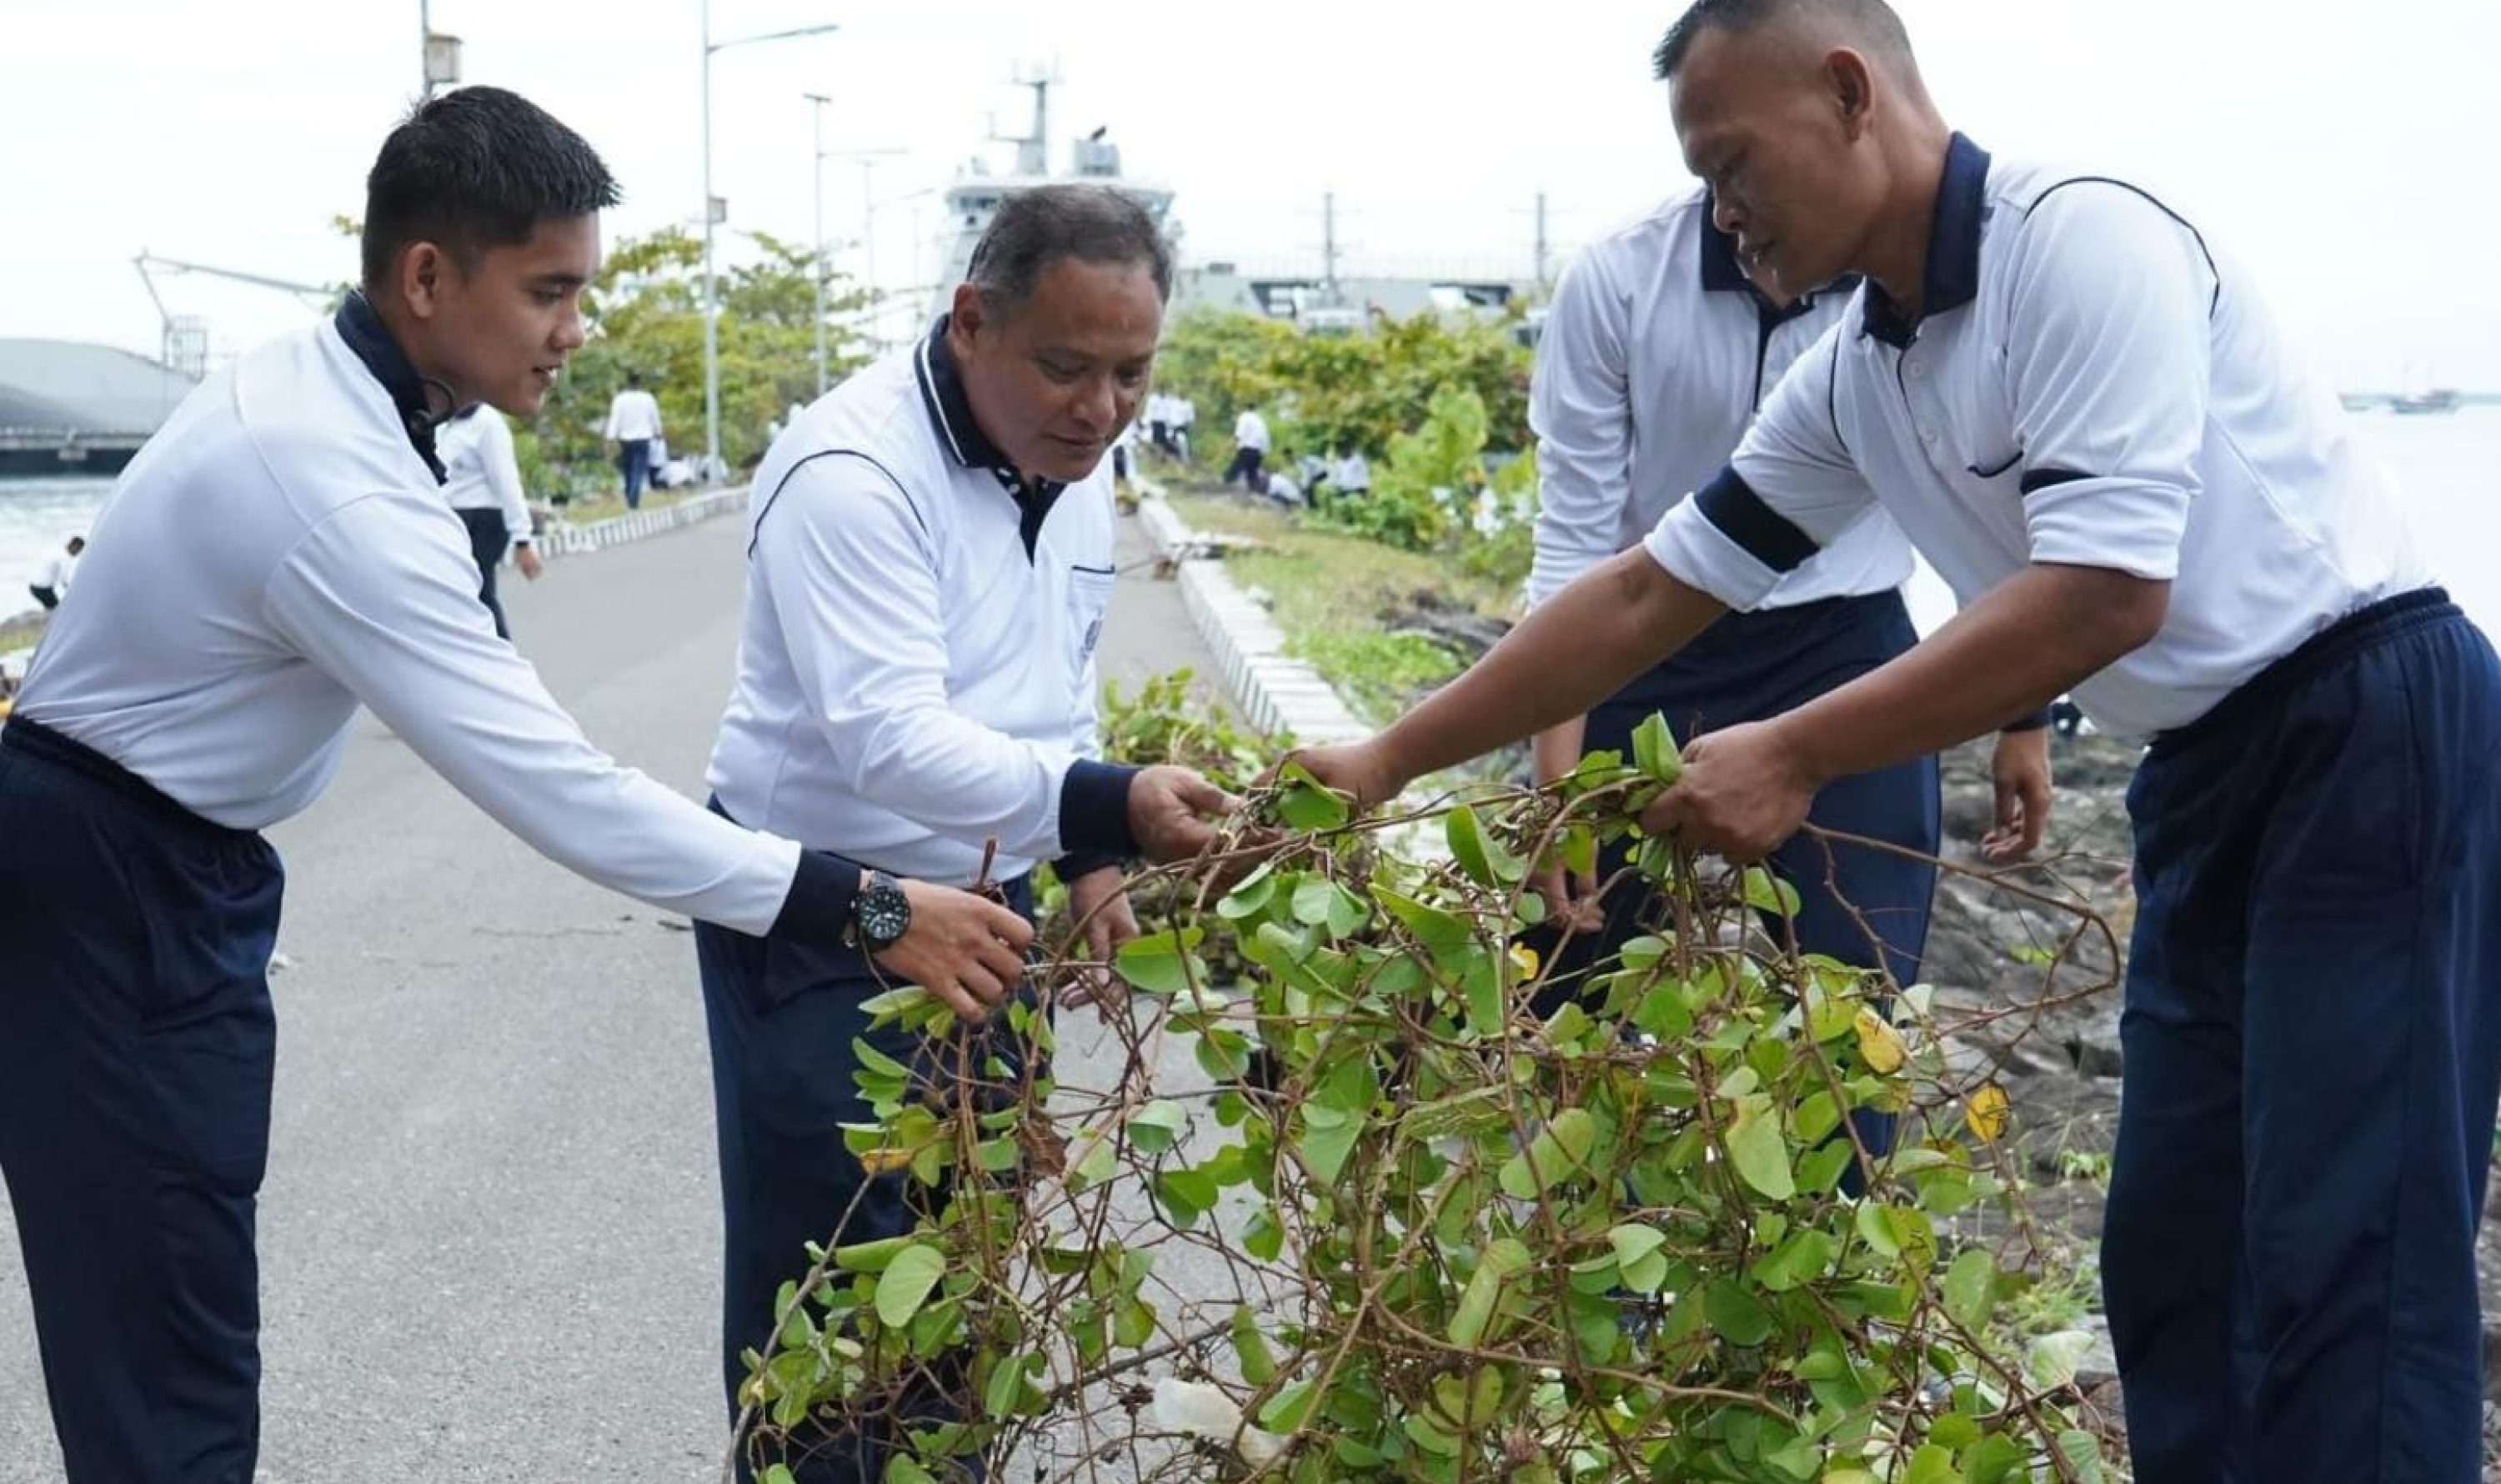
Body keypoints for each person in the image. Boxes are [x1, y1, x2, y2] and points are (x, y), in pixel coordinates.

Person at [1290, 4, 2501, 1481]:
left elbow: (2107, 590)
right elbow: (1644, 593)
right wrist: (1388, 761)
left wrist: (1793, 749)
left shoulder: (2080, 241)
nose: (1721, 213)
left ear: (1849, 92)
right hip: (2198, 770)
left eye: (1732, 165)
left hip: (2363, 728)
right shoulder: (1864, 372)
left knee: (2350, 1252)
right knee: (2177, 1251)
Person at [0, 86, 1030, 1484]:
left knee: (171, 1310)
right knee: (164, 1342)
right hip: (106, 881)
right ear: (428, 278)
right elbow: (562, 791)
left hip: (148, 858)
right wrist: (866, 907)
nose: (576, 329)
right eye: (549, 291)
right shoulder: (339, 487)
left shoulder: (329, 389)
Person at [699, 183, 1236, 1484]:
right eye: (1066, 367)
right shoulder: (850, 475)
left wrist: (1088, 858)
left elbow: (1060, 682)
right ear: (971, 322)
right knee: (834, 1296)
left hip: (991, 908)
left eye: (1130, 373)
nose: (1100, 408)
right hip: (831, 913)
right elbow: (889, 741)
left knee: (967, 1263)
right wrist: (1109, 804)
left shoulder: (1076, 463)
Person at [1520, 173, 2052, 1038]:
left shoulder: (1906, 288)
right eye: (1717, 165)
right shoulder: (1618, 276)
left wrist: (2023, 716)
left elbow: (1973, 492)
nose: (1735, 207)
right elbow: (1573, 532)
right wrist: (1554, 788)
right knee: (1557, 981)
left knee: (1859, 1006)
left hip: (1845, 649)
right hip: (1642, 641)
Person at [435, 404, 542, 639]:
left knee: (480, 594)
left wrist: (522, 538)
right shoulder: (443, 423)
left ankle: (501, 650)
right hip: (451, 517)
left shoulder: (487, 423)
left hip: (482, 518)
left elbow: (506, 481)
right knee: (457, 598)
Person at [603, 368, 662, 509]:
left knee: (628, 469)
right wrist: (658, 432)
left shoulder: (620, 399)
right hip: (643, 438)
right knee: (638, 469)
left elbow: (615, 419)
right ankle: (633, 497)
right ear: (639, 383)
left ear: (627, 383)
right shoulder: (648, 398)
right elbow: (655, 417)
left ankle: (630, 494)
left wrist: (610, 437)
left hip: (626, 439)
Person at [26, 534, 83, 611]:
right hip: (42, 588)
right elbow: (64, 580)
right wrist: (73, 593)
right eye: (79, 551)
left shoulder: (57, 549)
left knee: (52, 607)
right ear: (74, 547)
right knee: (56, 610)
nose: (78, 554)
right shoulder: (65, 557)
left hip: (33, 585)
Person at [1224, 405, 1269, 491]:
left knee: (1234, 470)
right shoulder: (1260, 420)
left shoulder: (1244, 416)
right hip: (1259, 452)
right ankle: (1254, 491)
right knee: (1252, 474)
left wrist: (1229, 446)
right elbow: (1266, 439)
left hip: (1248, 449)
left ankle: (1223, 488)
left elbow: (1239, 434)